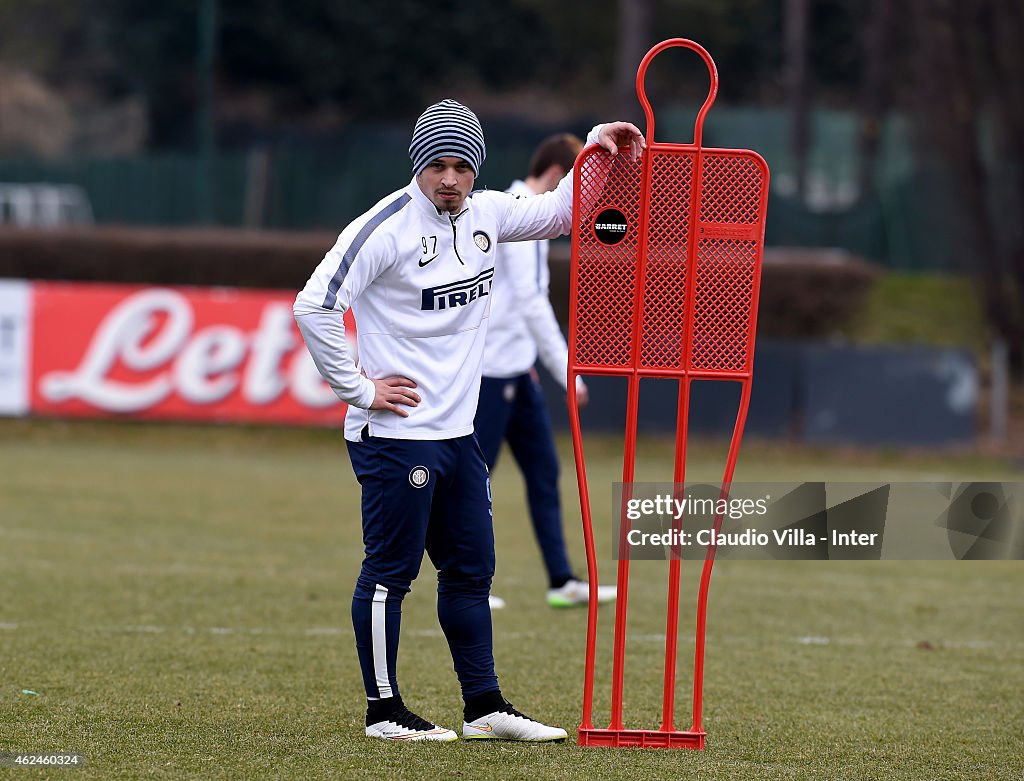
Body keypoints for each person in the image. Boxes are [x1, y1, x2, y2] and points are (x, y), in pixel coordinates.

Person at [293, 99, 644, 743]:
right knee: (389, 574)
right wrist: (360, 388)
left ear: (476, 169)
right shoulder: (384, 229)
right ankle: (384, 710)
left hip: (460, 437)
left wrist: (595, 145)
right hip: (397, 439)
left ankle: (484, 706)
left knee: (470, 575)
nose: (448, 178)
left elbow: (564, 212)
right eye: (437, 165)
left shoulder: (488, 216)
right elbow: (314, 304)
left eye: (460, 165)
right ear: (418, 167)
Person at [476, 133, 617, 610]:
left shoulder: (530, 214)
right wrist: (568, 372)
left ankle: (561, 580)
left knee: (544, 473)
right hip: (492, 373)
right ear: (560, 176)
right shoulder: (514, 209)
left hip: (520, 373)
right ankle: (468, 583)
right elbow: (533, 304)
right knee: (476, 481)